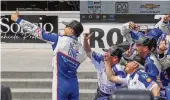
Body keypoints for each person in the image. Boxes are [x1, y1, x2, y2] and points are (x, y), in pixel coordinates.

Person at [11, 11, 87, 100]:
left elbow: (37, 31)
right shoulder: (82, 51)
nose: (64, 28)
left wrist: (17, 20)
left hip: (61, 84)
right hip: (74, 85)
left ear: (71, 30)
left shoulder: (59, 39)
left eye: (66, 26)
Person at [83, 33, 127, 100]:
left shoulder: (119, 70)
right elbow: (88, 51)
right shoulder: (100, 59)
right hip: (100, 93)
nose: (105, 54)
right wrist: (85, 40)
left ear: (115, 58)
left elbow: (122, 92)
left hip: (112, 97)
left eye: (108, 53)